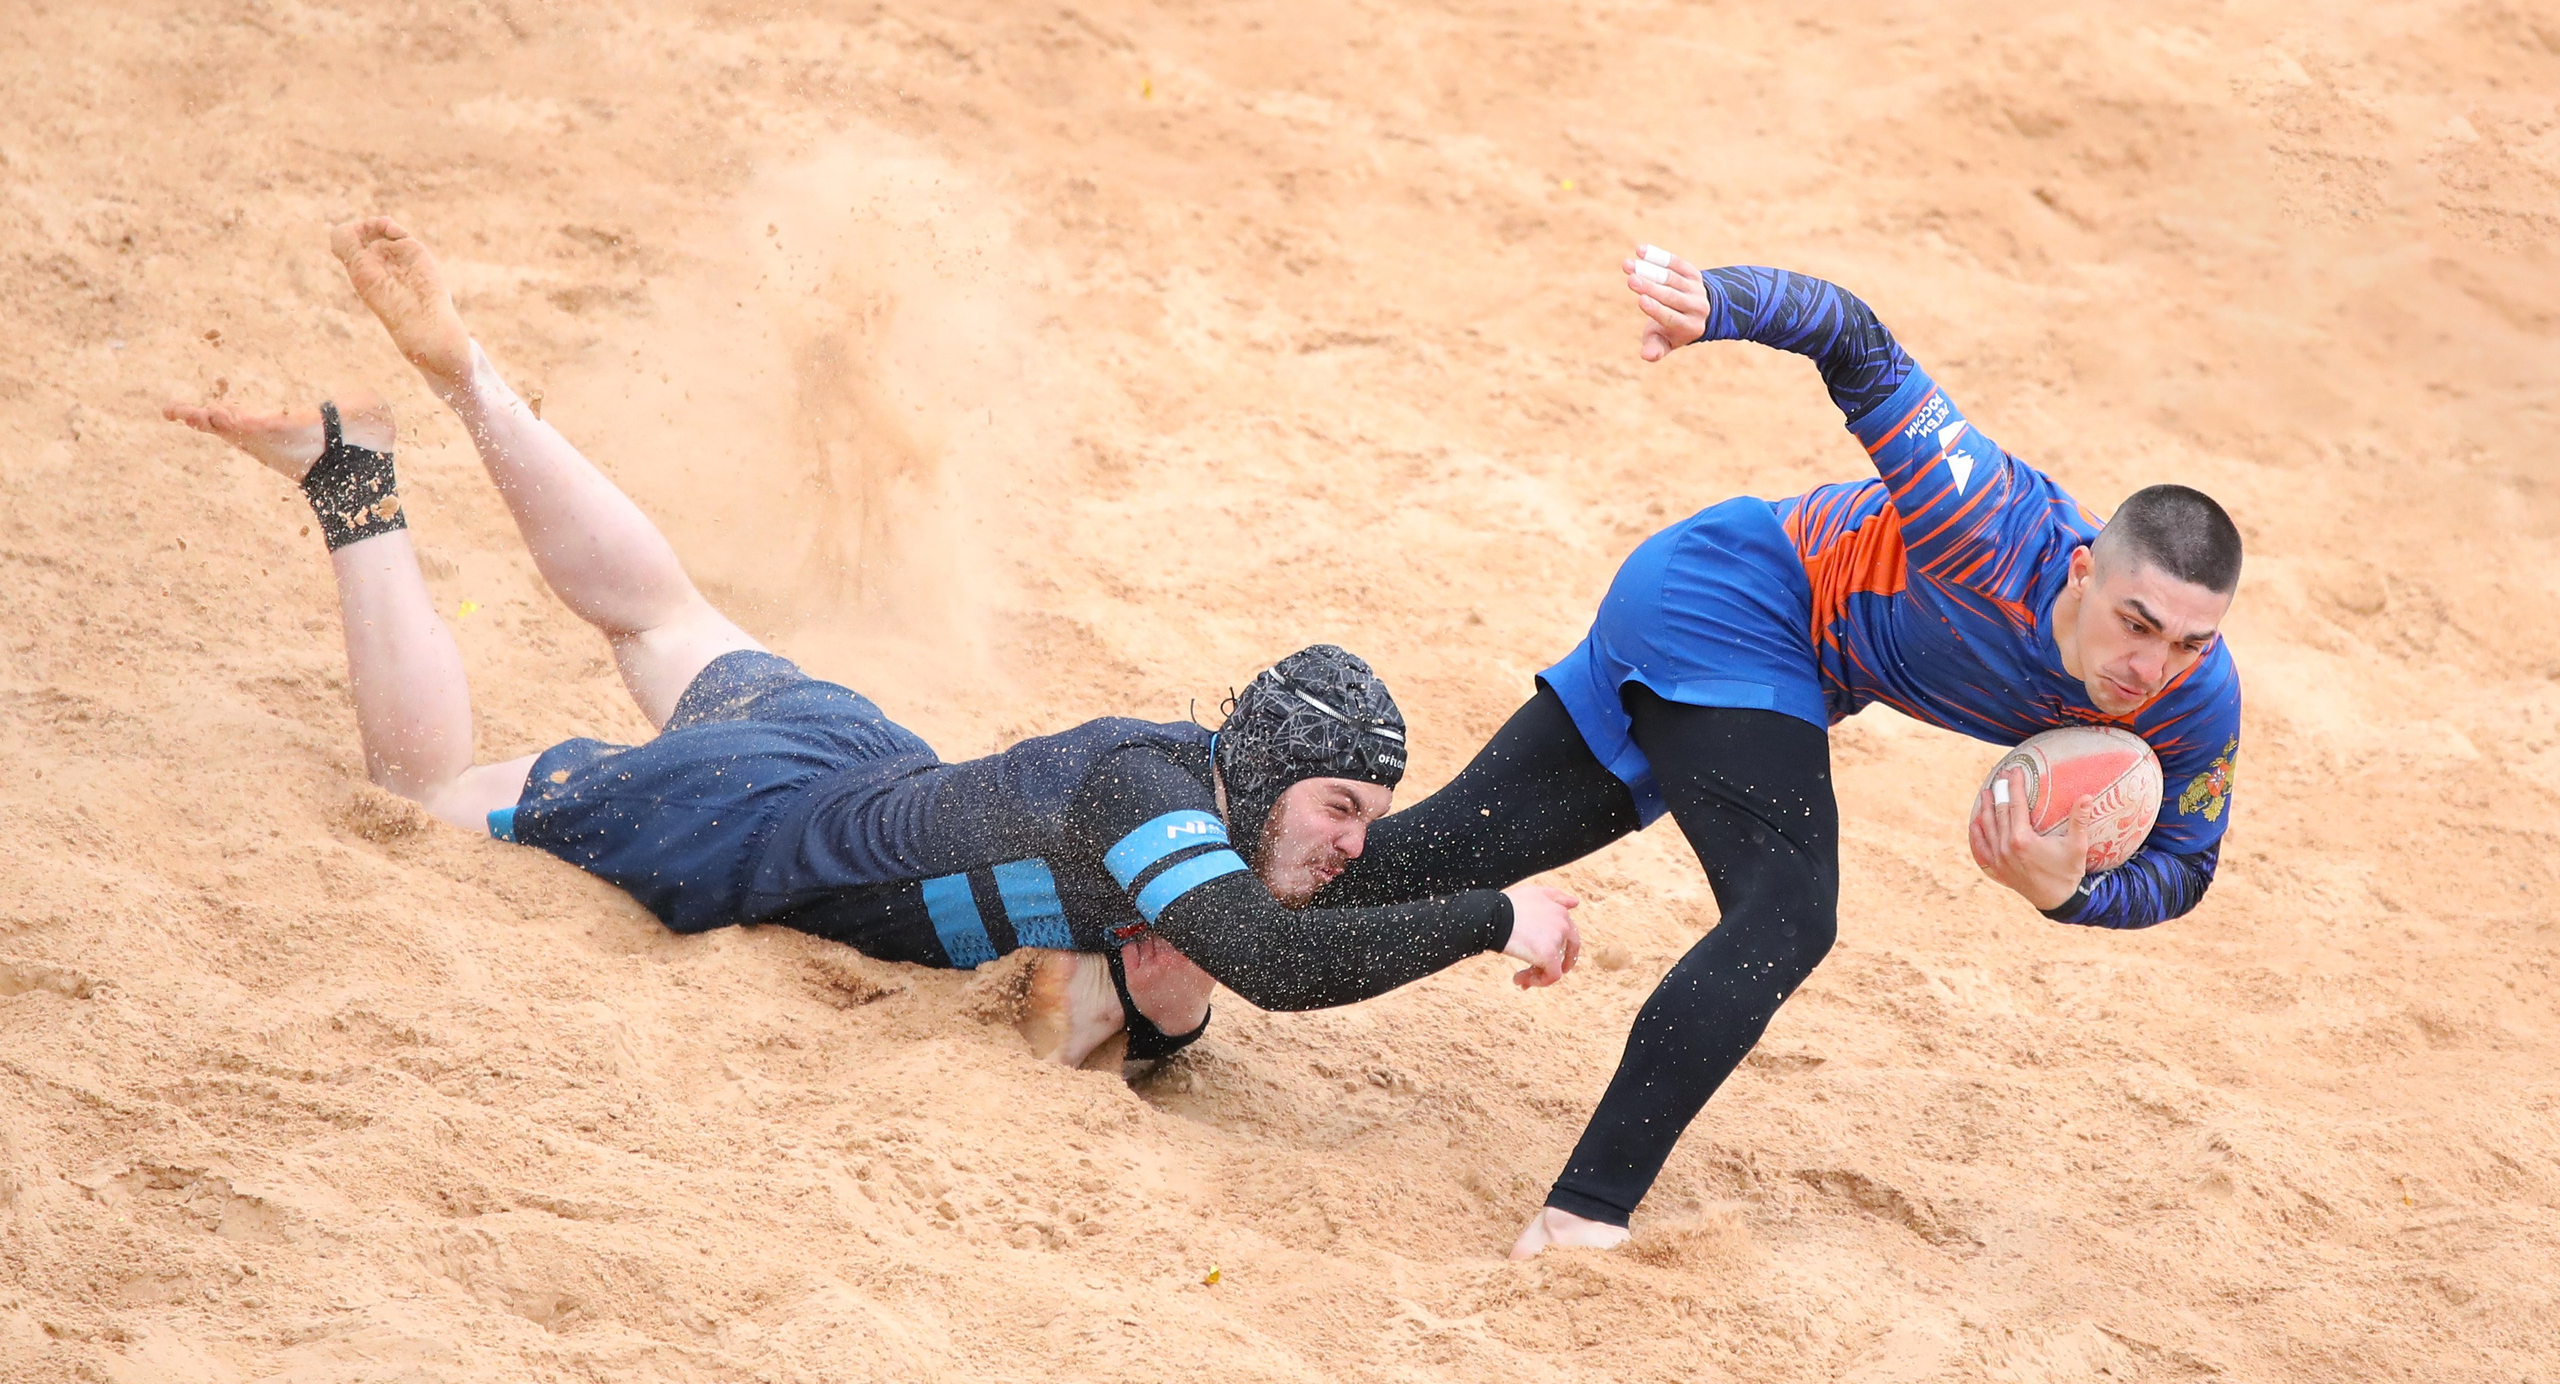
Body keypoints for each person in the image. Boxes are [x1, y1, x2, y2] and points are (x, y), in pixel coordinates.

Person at [165, 220, 1584, 1069]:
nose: (1351, 840)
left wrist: (1168, 1007)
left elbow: (1203, 969)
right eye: (1342, 805)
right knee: (422, 792)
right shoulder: (1165, 812)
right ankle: (352, 476)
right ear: (1272, 770)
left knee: (662, 613)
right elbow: (1267, 961)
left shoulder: (1187, 800)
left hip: (857, 750)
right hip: (749, 822)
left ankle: (474, 375)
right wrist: (1493, 915)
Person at [1317, 249, 2245, 1257]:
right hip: (1737, 596)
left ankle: (1169, 900)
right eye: (2137, 623)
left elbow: (2186, 867)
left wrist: (2068, 893)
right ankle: (1584, 1211)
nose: (2152, 666)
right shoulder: (1983, 515)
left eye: (2189, 642)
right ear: (2081, 571)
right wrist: (1713, 302)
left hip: (1763, 660)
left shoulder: (2194, 697)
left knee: (1434, 857)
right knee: (1788, 914)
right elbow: (1852, 335)